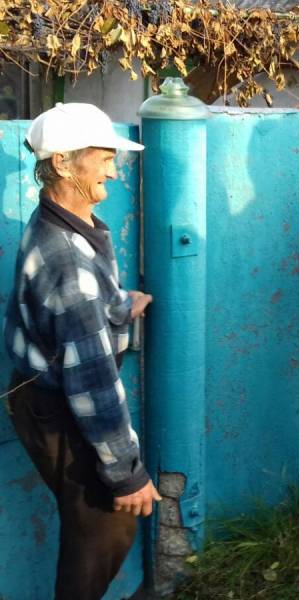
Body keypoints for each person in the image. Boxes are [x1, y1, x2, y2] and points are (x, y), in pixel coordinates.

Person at [4, 102, 157, 600]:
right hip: (60, 409)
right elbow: (91, 381)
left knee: (93, 529)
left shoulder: (64, 223)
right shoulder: (68, 258)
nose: (114, 168)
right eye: (104, 157)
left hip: (41, 396)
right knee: (106, 527)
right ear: (65, 163)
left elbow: (70, 316)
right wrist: (126, 472)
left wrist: (116, 308)